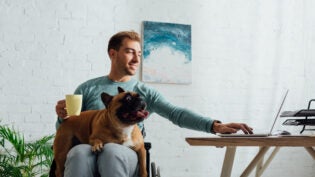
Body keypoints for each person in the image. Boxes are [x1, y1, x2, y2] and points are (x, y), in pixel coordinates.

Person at [55, 31, 253, 177]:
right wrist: (61, 116)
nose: (136, 59)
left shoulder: (144, 92)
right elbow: (66, 127)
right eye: (130, 52)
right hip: (89, 146)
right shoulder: (87, 88)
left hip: (123, 151)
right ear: (112, 54)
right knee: (78, 153)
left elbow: (176, 113)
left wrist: (214, 125)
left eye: (139, 54)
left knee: (112, 152)